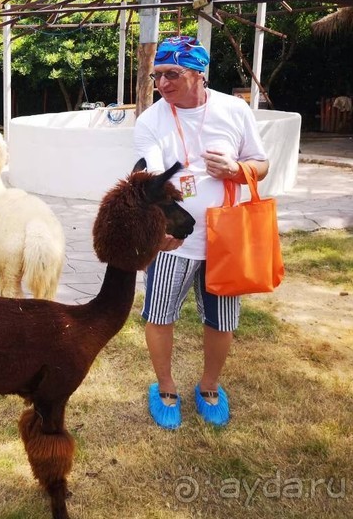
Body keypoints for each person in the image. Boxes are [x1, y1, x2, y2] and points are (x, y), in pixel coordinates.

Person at [133, 36, 269, 429]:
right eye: (157, 75)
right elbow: (152, 175)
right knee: (159, 314)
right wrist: (157, 224)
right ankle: (165, 387)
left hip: (226, 242)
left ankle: (209, 386)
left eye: (171, 74)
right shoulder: (151, 120)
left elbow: (261, 164)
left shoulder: (234, 110)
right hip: (172, 244)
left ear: (198, 74)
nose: (162, 84)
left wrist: (237, 170)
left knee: (222, 320)